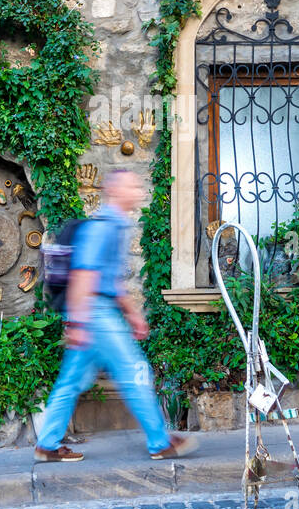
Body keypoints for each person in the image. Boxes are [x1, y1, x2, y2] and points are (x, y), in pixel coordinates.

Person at [34, 169, 198, 462]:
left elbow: (112, 280)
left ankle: (47, 444)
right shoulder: (104, 227)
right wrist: (79, 323)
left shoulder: (116, 226)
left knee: (71, 380)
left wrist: (133, 314)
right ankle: (160, 442)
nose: (138, 191)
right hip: (96, 314)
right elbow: (84, 275)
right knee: (135, 372)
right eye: (131, 186)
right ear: (115, 191)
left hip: (95, 312)